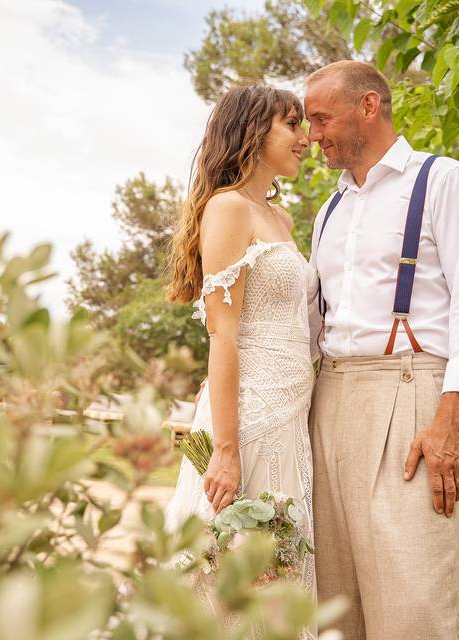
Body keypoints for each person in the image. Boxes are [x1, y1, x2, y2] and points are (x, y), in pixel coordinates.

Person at [303, 60, 459, 639]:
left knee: (411, 594)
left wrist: (451, 422)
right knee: (334, 601)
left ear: (369, 106)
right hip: (330, 397)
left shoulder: (442, 181)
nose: (313, 133)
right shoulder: (329, 211)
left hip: (410, 393)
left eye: (321, 117)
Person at [162, 83, 317, 635]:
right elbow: (222, 336)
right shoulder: (228, 208)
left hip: (289, 420)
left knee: (279, 568)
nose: (305, 139)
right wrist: (223, 452)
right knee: (232, 567)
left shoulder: (281, 219)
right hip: (245, 422)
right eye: (292, 125)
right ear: (254, 132)